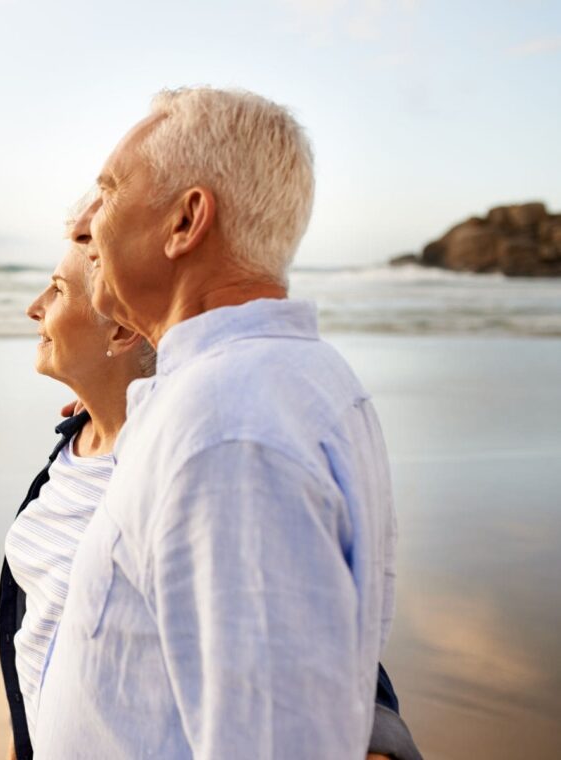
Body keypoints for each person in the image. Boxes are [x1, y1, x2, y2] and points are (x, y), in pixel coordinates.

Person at [30, 87, 410, 759]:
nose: (93, 228)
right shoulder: (257, 389)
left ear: (186, 221)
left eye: (111, 193)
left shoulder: (230, 428)